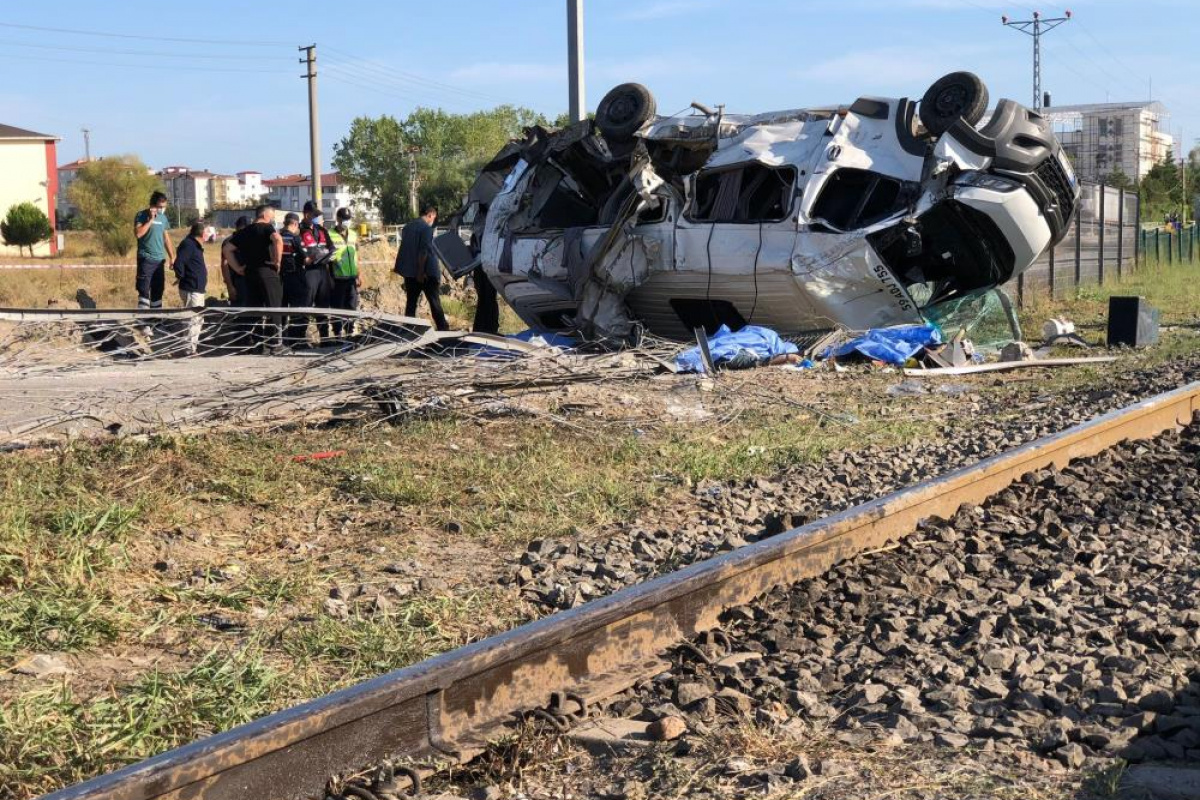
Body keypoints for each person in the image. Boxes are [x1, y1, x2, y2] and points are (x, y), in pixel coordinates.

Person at [223, 204, 284, 353]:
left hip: (250, 274)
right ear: (264, 215)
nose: (273, 219)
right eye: (272, 216)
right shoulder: (266, 227)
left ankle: (252, 343)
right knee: (274, 308)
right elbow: (277, 239)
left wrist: (237, 268)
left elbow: (227, 250)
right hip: (267, 272)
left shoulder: (244, 231)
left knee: (254, 308)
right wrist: (277, 261)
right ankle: (275, 344)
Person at [393, 202, 449, 331]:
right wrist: (420, 271)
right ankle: (443, 330)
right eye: (434, 218)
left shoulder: (407, 227)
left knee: (411, 303)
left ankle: (408, 330)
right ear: (430, 215)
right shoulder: (426, 229)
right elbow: (423, 251)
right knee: (434, 303)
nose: (433, 221)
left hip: (410, 273)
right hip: (426, 273)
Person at [133, 191, 176, 314]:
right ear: (152, 205)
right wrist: (151, 220)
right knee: (144, 290)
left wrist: (172, 257)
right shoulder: (141, 215)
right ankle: (143, 323)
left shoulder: (163, 218)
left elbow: (166, 238)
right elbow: (138, 234)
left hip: (159, 260)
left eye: (164, 207)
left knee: (158, 290)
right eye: (159, 207)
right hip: (146, 259)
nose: (162, 210)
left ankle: (156, 320)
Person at [300, 201, 334, 343]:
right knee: (306, 305)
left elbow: (331, 246)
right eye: (314, 215)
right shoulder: (300, 230)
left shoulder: (321, 230)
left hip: (322, 271)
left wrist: (328, 253)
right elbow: (299, 251)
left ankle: (325, 338)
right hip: (308, 272)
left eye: (317, 215)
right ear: (307, 214)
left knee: (323, 305)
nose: (316, 218)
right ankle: (301, 339)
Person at [172, 221, 208, 354]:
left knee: (196, 318)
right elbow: (179, 262)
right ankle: (188, 349)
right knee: (193, 319)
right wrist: (181, 276)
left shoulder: (193, 245)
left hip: (195, 287)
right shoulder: (189, 244)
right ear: (202, 233)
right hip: (191, 288)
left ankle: (189, 347)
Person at [328, 207, 362, 338]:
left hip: (352, 278)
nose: (346, 222)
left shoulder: (353, 234)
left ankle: (350, 333)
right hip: (337, 278)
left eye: (348, 219)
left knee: (351, 307)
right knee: (338, 308)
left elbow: (356, 255)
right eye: (344, 219)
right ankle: (337, 334)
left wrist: (359, 274)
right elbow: (327, 259)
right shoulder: (329, 234)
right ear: (338, 219)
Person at [279, 212, 310, 345]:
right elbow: (306, 259)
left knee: (281, 310)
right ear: (295, 224)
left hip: (279, 279)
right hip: (295, 278)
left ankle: (280, 340)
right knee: (298, 310)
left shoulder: (277, 236)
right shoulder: (295, 239)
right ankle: (296, 340)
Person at [221, 216, 250, 304]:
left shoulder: (250, 239)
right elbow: (224, 264)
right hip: (237, 281)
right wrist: (230, 286)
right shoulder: (229, 241)